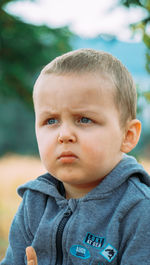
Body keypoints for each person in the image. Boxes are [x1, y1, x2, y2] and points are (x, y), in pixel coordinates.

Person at [1, 48, 150, 265]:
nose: (64, 135)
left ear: (127, 135)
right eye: (51, 121)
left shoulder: (139, 211)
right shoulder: (34, 204)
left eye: (84, 119)